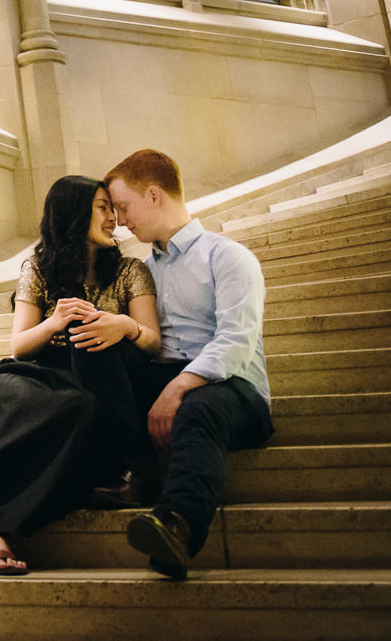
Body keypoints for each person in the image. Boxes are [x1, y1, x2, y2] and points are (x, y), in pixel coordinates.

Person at [0, 175, 160, 574]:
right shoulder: (38, 269)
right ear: (74, 214)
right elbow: (19, 345)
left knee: (75, 408)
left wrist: (124, 325)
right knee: (13, 400)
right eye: (103, 208)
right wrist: (55, 322)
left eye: (113, 208)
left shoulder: (130, 270)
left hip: (93, 377)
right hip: (37, 371)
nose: (113, 218)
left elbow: (153, 342)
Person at [105, 149, 273, 579]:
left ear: (154, 195)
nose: (121, 221)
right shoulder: (141, 272)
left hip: (233, 392)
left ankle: (176, 525)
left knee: (198, 407)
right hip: (165, 381)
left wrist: (177, 388)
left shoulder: (228, 257)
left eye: (123, 207)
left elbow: (235, 343)